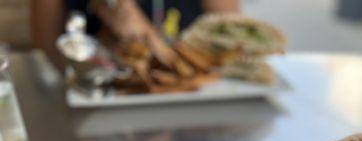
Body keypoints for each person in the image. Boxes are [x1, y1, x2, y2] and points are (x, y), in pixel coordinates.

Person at [30, 0, 240, 69]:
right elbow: (45, 59)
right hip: (97, 126)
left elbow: (235, 46)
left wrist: (145, 34)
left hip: (193, 122)